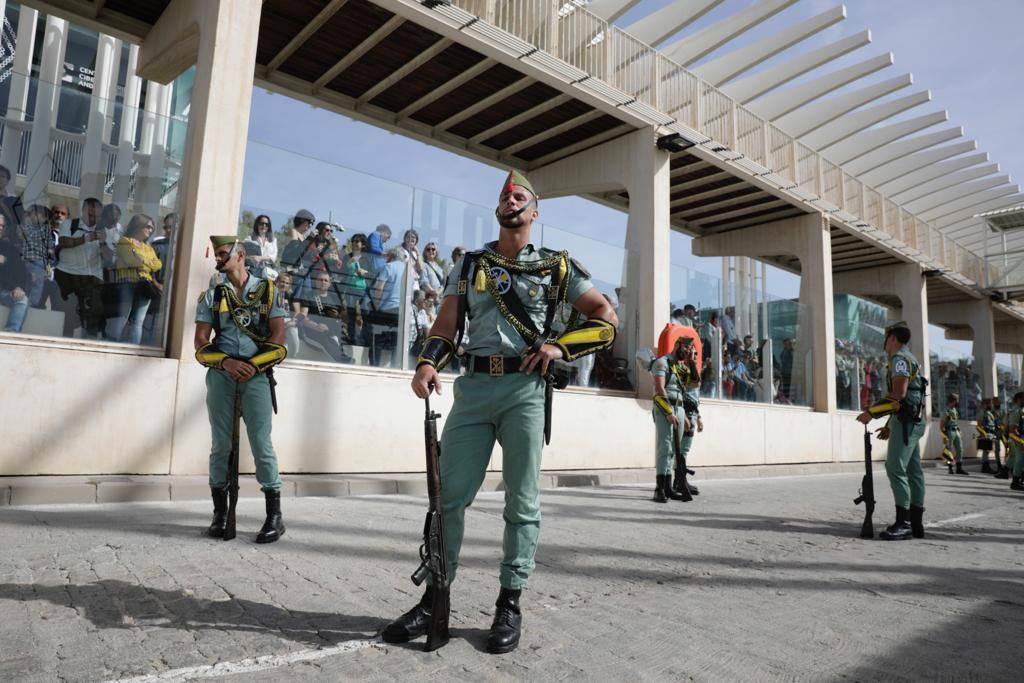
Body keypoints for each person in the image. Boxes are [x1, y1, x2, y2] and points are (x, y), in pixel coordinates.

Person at [381, 170, 617, 654]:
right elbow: (448, 323)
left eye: (519, 196)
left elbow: (605, 318)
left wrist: (559, 347)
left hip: (525, 391)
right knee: (448, 498)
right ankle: (434, 598)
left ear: (534, 212)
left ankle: (509, 603)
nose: (509, 200)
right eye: (504, 196)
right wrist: (428, 361)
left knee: (522, 502)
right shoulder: (470, 265)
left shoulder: (558, 267)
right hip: (473, 389)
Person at [194, 235, 288, 543]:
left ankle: (274, 515)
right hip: (222, 375)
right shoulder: (211, 296)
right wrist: (227, 364)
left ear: (241, 255)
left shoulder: (268, 290)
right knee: (221, 444)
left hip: (257, 374)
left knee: (261, 442)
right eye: (217, 254)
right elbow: (200, 343)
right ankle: (220, 513)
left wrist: (253, 366)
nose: (218, 258)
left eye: (224, 253)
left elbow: (279, 340)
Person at [856, 321, 928, 541]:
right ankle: (915, 523)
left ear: (893, 339)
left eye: (887, 338)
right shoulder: (908, 358)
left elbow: (899, 394)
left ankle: (904, 523)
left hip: (907, 423)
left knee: (895, 467)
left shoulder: (899, 360)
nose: (884, 342)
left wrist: (872, 412)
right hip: (909, 421)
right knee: (914, 471)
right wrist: (889, 425)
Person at [651, 336, 701, 503]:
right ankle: (659, 489)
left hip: (679, 409)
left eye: (690, 350)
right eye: (686, 349)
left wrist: (691, 362)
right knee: (664, 446)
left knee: (674, 450)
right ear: (678, 345)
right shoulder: (662, 362)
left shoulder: (681, 367)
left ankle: (668, 487)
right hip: (665, 407)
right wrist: (669, 413)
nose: (688, 352)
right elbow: (659, 389)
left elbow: (694, 384)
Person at [106, 214, 162, 344]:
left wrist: (141, 259)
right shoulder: (125, 241)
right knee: (122, 318)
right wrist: (145, 263)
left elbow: (158, 264)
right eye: (148, 227)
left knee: (138, 322)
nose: (151, 230)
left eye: (152, 228)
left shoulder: (148, 247)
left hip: (144, 286)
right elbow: (132, 261)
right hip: (127, 283)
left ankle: (133, 349)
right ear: (138, 225)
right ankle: (113, 347)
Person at [55, 197, 105, 338]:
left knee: (93, 314)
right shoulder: (69, 224)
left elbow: (109, 257)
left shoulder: (103, 231)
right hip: (67, 275)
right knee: (69, 316)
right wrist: (87, 238)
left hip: (92, 278)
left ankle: (88, 345)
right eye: (90, 215)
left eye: (97, 216)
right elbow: (64, 242)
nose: (93, 219)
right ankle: (66, 344)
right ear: (83, 210)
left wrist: (104, 243)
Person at [296, 267, 352, 364]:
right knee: (327, 340)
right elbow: (302, 317)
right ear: (316, 282)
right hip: (314, 331)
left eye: (325, 280)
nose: (323, 282)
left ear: (329, 283)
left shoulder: (335, 298)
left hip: (333, 331)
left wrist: (339, 315)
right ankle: (344, 361)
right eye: (320, 280)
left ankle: (344, 360)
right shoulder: (308, 296)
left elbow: (345, 319)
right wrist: (316, 326)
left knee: (334, 339)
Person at [0, 214, 30, 332]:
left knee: (22, 300)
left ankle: (10, 333)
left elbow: (21, 271)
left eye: (2, 226)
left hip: (3, 290)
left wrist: (18, 287)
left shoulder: (9, 248)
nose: (1, 228)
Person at [243, 214, 278, 280]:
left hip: (268, 271)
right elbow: (243, 253)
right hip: (253, 269)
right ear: (257, 225)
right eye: (262, 223)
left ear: (269, 227)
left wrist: (260, 258)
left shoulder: (273, 240)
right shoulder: (249, 238)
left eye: (266, 224)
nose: (264, 226)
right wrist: (252, 258)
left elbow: (274, 257)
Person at [941, 393, 967, 475]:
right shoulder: (946, 410)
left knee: (960, 449)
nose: (957, 402)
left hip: (956, 431)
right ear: (953, 400)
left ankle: (959, 468)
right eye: (956, 400)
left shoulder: (954, 410)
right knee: (949, 450)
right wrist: (944, 435)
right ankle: (950, 468)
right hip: (949, 431)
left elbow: (955, 421)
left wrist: (959, 430)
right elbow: (942, 424)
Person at [978, 398, 997, 475]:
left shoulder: (989, 413)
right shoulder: (982, 413)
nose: (990, 405)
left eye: (990, 403)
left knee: (987, 450)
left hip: (990, 433)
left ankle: (986, 466)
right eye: (988, 404)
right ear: (984, 405)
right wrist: (982, 433)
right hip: (985, 432)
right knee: (985, 450)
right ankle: (985, 466)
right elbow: (979, 424)